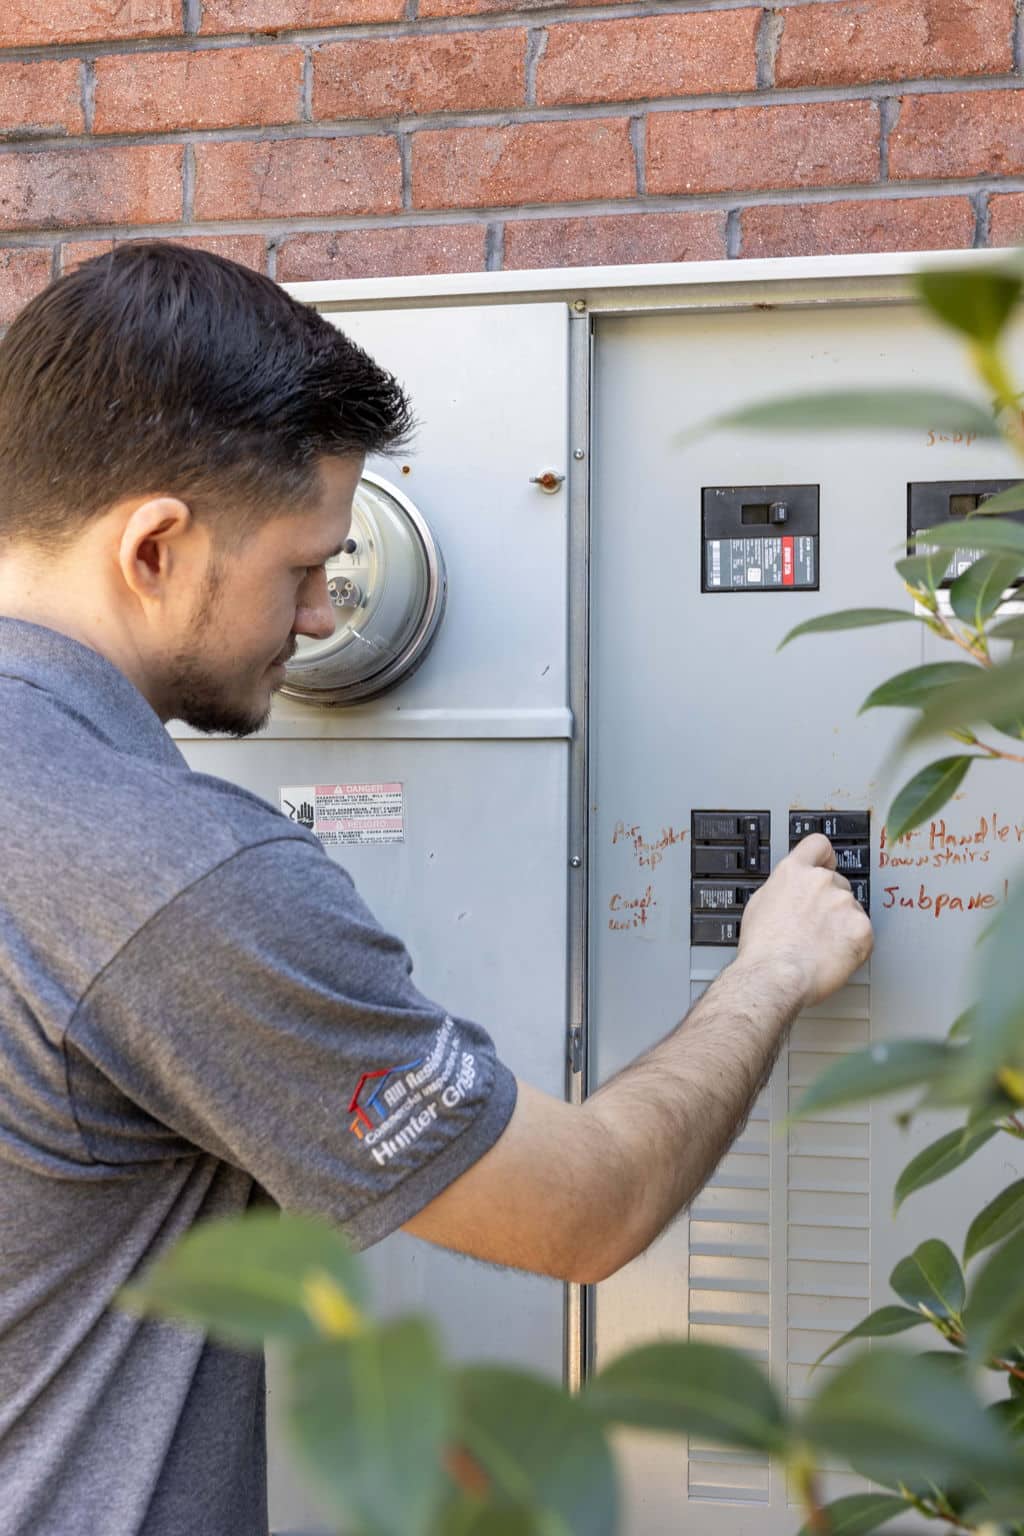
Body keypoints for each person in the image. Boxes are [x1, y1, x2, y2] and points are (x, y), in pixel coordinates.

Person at [0, 243, 872, 1536]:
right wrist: (772, 969)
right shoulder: (175, 876)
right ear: (156, 549)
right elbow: (584, 1208)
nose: (313, 621)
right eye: (303, 568)